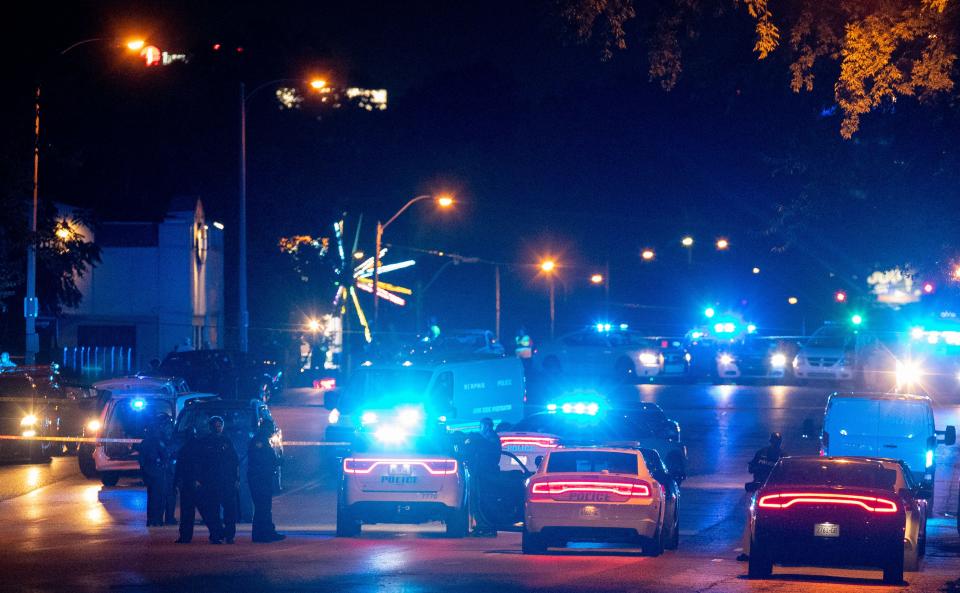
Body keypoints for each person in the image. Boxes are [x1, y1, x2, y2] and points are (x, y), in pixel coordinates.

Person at [737, 432, 786, 561]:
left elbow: (751, 468)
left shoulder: (763, 453)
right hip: (772, 493)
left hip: (761, 491)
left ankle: (747, 552)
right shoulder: (783, 457)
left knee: (751, 522)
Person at [197, 416, 239, 544]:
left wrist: (236, 479)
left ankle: (229, 535)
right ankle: (216, 534)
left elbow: (234, 461)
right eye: (215, 426)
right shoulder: (205, 442)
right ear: (210, 427)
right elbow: (200, 463)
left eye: (219, 426)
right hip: (211, 482)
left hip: (227, 481)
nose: (217, 428)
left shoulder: (227, 441)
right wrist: (200, 479)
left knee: (230, 510)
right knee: (213, 510)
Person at [464, 417, 502, 537]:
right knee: (478, 499)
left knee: (481, 499)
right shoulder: (489, 438)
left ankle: (485, 525)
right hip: (481, 473)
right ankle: (482, 525)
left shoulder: (490, 439)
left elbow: (487, 452)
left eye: (482, 426)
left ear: (485, 426)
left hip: (484, 473)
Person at [247, 422, 285, 543]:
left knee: (265, 507)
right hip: (259, 479)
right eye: (271, 429)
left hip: (264, 478)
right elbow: (262, 460)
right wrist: (277, 460)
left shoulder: (263, 440)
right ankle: (261, 534)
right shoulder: (259, 441)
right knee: (262, 507)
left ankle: (267, 531)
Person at [137, 415, 169, 527]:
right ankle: (157, 519)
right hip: (157, 472)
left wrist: (143, 474)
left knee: (151, 497)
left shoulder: (144, 443)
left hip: (149, 472)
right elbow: (165, 455)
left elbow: (141, 460)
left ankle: (151, 519)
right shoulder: (158, 441)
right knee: (159, 497)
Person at [174, 427, 203, 543]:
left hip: (188, 483)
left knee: (187, 512)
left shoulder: (184, 449)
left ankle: (185, 536)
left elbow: (179, 468)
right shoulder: (199, 448)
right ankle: (217, 534)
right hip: (195, 483)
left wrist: (176, 483)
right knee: (206, 511)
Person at [159, 417, 178, 525]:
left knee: (171, 495)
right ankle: (160, 518)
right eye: (167, 427)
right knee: (162, 495)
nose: (169, 429)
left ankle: (169, 517)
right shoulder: (160, 440)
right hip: (163, 471)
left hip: (172, 471)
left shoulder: (174, 439)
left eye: (170, 427)